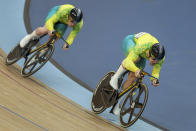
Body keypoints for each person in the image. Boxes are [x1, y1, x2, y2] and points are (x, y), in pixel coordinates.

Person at [109, 32, 165, 115]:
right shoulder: (143, 45)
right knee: (136, 59)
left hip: (141, 54)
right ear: (149, 53)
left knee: (133, 77)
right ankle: (115, 77)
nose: (155, 62)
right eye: (153, 59)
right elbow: (127, 61)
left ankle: (117, 103)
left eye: (157, 60)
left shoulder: (160, 58)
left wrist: (154, 79)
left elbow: (156, 72)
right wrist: (136, 69)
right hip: (131, 42)